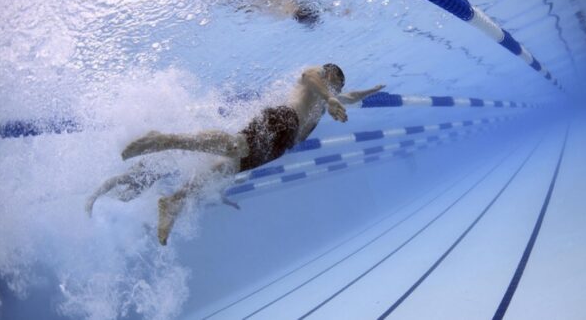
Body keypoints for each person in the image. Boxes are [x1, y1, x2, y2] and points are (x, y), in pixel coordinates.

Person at [87, 64, 385, 245]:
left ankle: (174, 200)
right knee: (234, 146)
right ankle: (163, 140)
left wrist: (371, 90)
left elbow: (351, 96)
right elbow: (310, 77)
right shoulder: (317, 79)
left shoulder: (328, 99)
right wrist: (330, 96)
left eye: (337, 86)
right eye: (333, 82)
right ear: (328, 74)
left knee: (224, 169)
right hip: (282, 120)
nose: (335, 88)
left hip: (279, 146)